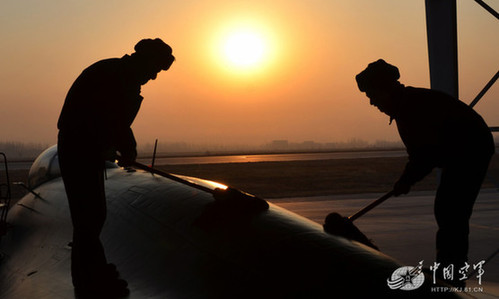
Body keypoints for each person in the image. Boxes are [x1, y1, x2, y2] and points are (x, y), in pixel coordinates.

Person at [355, 59, 494, 287]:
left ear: (386, 90)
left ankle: (451, 273)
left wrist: (405, 181)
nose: (372, 103)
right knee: (448, 208)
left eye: (372, 95)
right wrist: (406, 180)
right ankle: (450, 268)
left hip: (470, 150)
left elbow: (423, 156)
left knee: (451, 209)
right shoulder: (406, 105)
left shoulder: (412, 108)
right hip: (460, 151)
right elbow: (422, 155)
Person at [57, 38, 175, 297]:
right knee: (89, 217)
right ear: (146, 60)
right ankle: (90, 281)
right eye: (155, 70)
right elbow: (113, 118)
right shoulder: (118, 77)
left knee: (90, 216)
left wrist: (117, 146)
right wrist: (127, 148)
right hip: (79, 150)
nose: (154, 77)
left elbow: (112, 121)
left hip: (82, 148)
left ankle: (91, 275)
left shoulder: (115, 72)